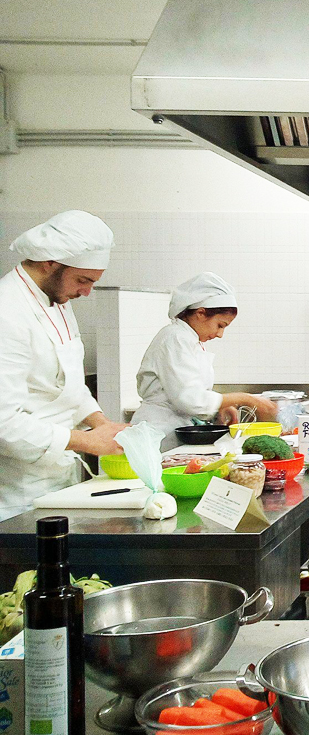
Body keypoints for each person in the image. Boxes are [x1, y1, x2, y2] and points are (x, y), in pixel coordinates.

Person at [0, 211, 127, 519]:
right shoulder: (7, 311)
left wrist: (101, 424)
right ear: (49, 262)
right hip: (17, 492)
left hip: (60, 477)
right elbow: (4, 423)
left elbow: (71, 383)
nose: (87, 292)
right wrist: (87, 441)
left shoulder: (57, 300)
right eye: (83, 280)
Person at [132, 273, 277, 450]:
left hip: (175, 432)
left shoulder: (190, 340)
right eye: (220, 325)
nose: (220, 334)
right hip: (158, 433)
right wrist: (246, 399)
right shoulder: (175, 338)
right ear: (201, 313)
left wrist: (219, 407)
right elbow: (190, 399)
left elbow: (191, 390)